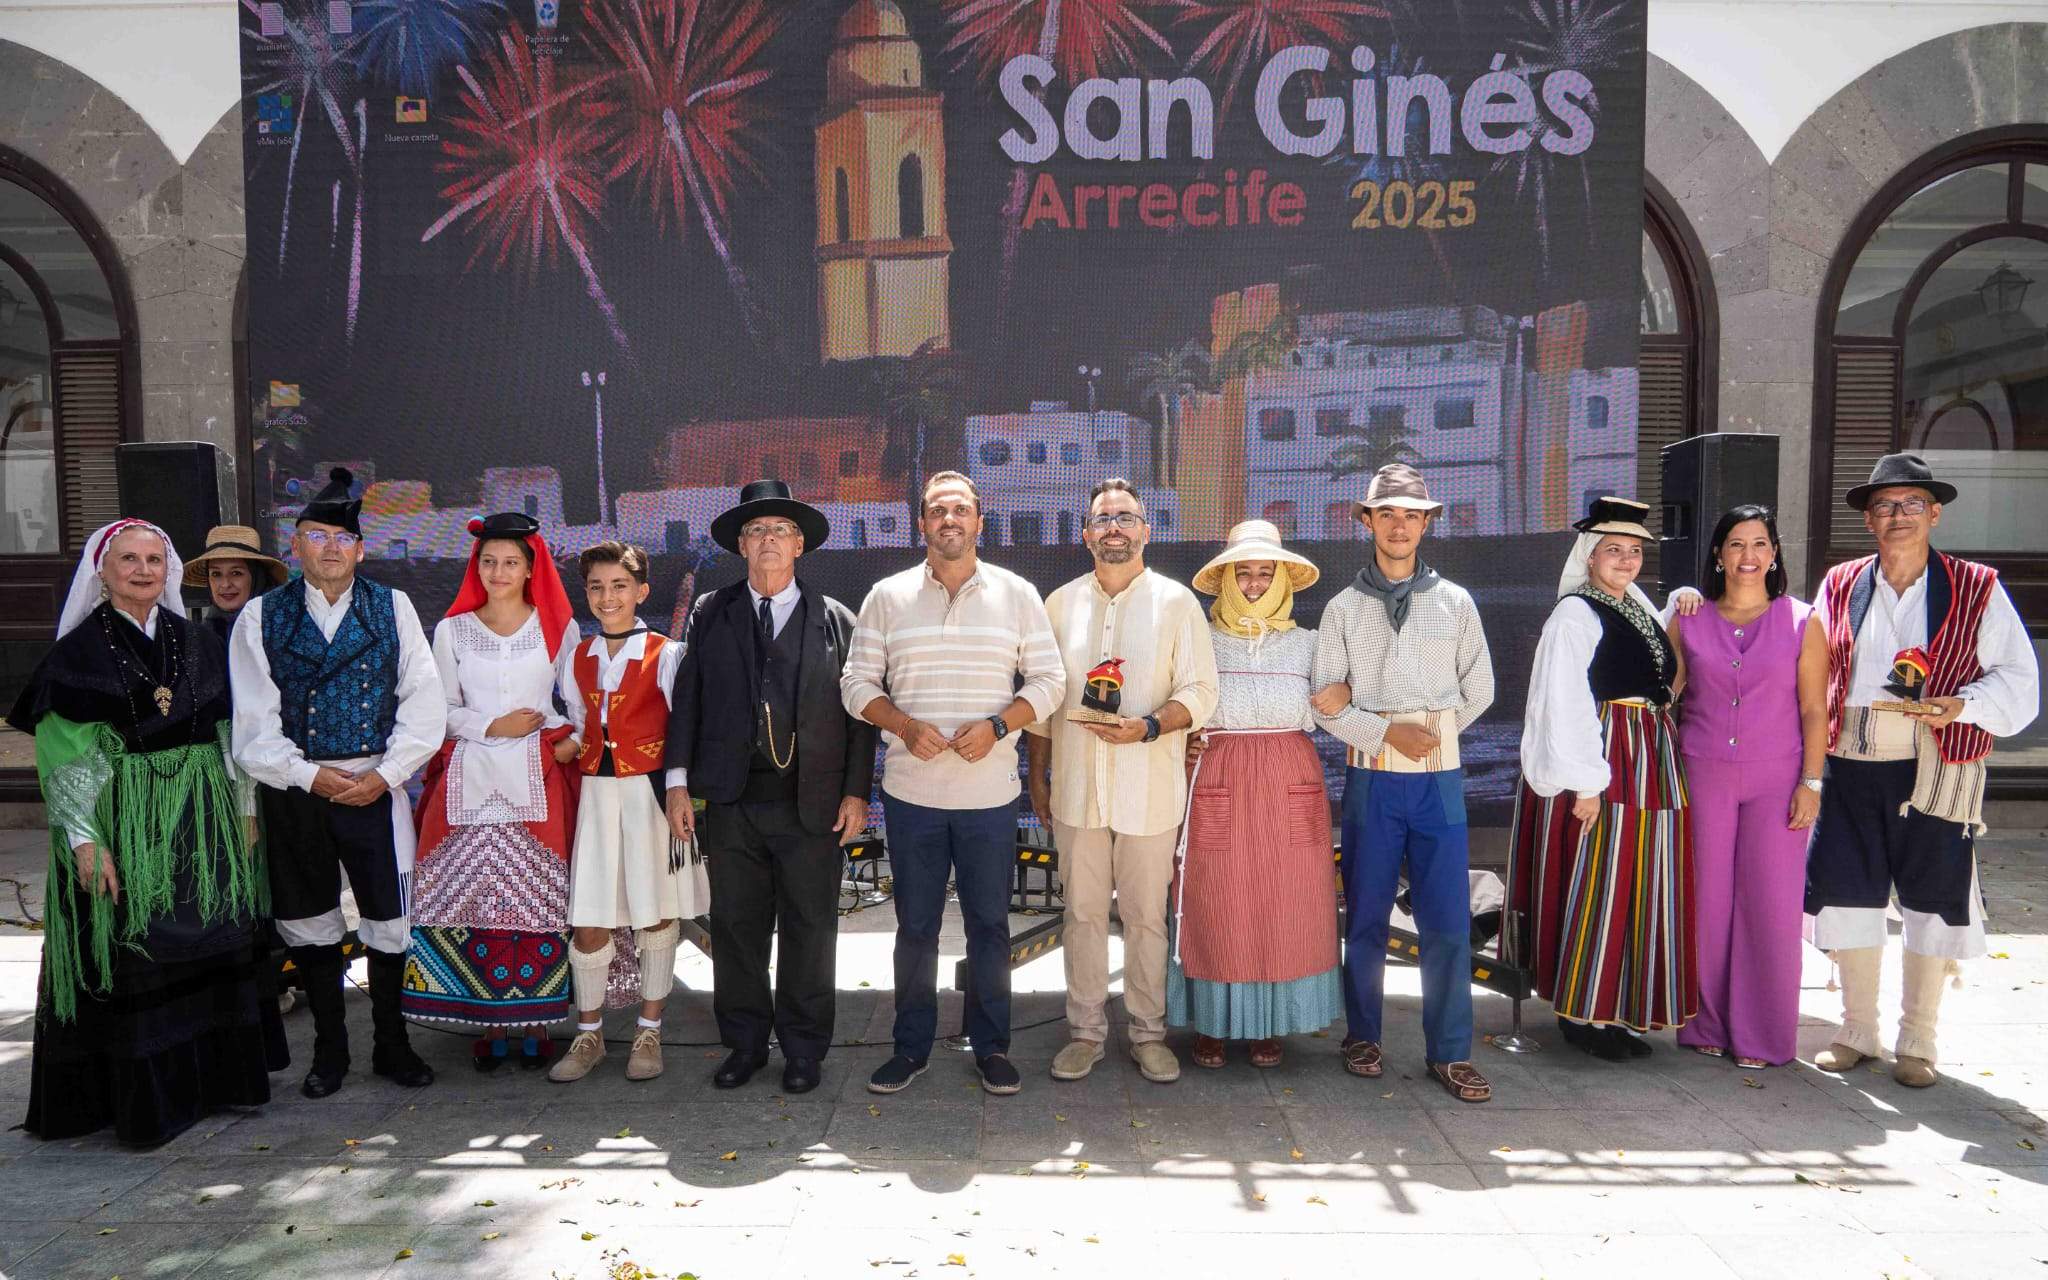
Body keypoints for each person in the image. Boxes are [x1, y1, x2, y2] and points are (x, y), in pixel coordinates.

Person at [8, 519, 286, 1145]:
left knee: (211, 942)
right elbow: (64, 752)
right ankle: (139, 1102)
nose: (141, 569)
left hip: (203, 819)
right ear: (101, 573)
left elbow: (228, 735)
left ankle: (215, 1085)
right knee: (135, 950)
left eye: (154, 559)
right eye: (128, 559)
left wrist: (244, 810)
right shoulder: (74, 656)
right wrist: (84, 839)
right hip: (121, 824)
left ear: (168, 569)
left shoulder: (201, 641)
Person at [1807, 454, 2037, 1088]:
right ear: (1868, 520)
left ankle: (1918, 1040)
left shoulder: (1977, 585)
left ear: (1935, 513)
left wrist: (1961, 704)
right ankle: (1857, 1029)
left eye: (1911, 504)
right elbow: (1807, 664)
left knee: (1933, 898)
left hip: (1936, 762)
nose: (1898, 516)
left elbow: (2018, 681)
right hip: (1851, 759)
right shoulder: (1841, 582)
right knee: (1848, 891)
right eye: (1884, 506)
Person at [842, 471, 1066, 1096]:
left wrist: (998, 726)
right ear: (921, 524)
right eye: (938, 510)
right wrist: (904, 726)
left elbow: (1050, 683)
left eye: (960, 510)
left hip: (990, 798)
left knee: (990, 926)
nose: (949, 520)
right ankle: (909, 1048)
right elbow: (856, 686)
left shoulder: (1018, 594)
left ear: (979, 522)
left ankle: (991, 1047)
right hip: (910, 795)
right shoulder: (886, 597)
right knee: (914, 927)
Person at [232, 468, 446, 1098]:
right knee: (309, 921)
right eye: (315, 535)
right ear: (294, 546)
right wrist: (309, 776)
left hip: (377, 787)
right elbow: (252, 722)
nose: (328, 548)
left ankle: (391, 1044)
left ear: (361, 549)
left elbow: (424, 701)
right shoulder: (259, 616)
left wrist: (385, 774)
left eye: (340, 538)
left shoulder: (393, 606)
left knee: (388, 919)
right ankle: (330, 1053)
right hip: (296, 790)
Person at [665, 480, 878, 1096]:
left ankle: (805, 1050)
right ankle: (745, 1045)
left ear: (800, 545)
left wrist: (857, 792)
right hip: (733, 802)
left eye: (780, 530)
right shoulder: (711, 611)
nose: (767, 541)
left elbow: (861, 714)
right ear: (740, 544)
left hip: (810, 802)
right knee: (736, 928)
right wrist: (679, 785)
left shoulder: (837, 619)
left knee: (812, 929)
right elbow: (689, 702)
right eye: (756, 531)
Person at [1311, 464, 1496, 1102]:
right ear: (1367, 522)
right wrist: (1387, 733)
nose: (1399, 525)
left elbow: (1483, 688)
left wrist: (1432, 732)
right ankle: (1362, 1035)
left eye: (1411, 515)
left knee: (1445, 920)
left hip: (1438, 781)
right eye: (1386, 514)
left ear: (1426, 524)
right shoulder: (1341, 608)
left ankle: (1450, 1050)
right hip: (1372, 781)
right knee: (1363, 913)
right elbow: (1324, 704)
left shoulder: (1456, 602)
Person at [1027, 478, 1218, 1087]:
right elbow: (1044, 703)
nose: (1114, 528)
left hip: (1149, 790)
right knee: (1081, 914)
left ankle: (1148, 1033)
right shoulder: (1057, 605)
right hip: (1077, 789)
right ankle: (1084, 1033)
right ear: (1085, 534)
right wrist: (1036, 776)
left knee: (1145, 917)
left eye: (1125, 518)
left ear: (1146, 529)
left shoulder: (1177, 604)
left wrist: (1149, 726)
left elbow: (1202, 693)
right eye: (1103, 519)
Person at [1509, 495, 1695, 1062]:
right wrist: (1586, 784)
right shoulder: (1575, 614)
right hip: (1606, 753)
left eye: (1634, 551)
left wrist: (1684, 603)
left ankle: (1614, 1006)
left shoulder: (1633, 603)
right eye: (1613, 549)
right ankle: (1580, 1013)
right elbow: (1562, 701)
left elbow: (1655, 660)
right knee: (1600, 880)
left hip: (1650, 751)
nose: (1625, 559)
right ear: (1590, 556)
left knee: (1637, 879)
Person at [403, 512, 582, 1070]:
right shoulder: (452, 630)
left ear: (532, 569)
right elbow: (439, 712)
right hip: (468, 775)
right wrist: (491, 727)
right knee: (474, 891)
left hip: (537, 773)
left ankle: (535, 1019)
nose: (499, 571)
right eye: (489, 561)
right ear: (475, 567)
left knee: (536, 894)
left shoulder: (558, 626)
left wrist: (568, 745)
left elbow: (578, 706)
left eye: (510, 562)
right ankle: (485, 1020)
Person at [1170, 519, 1343, 1069]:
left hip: (1290, 776)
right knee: (1216, 900)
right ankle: (1215, 1025)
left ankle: (1271, 1025)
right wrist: (1183, 741)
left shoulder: (1310, 645)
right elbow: (1174, 701)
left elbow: (1335, 704)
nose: (1252, 583)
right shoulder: (1200, 638)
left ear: (1282, 581)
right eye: (1242, 573)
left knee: (1286, 903)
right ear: (1224, 579)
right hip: (1219, 773)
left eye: (1264, 574)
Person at [1664, 505, 1826, 1069]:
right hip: (1702, 774)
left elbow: (1813, 709)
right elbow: (1667, 695)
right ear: (1718, 554)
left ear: (1775, 553)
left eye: (1760, 544)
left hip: (1778, 779)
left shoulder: (1804, 620)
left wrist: (1812, 781)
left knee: (1771, 906)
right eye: (1736, 544)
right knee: (1706, 902)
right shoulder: (1687, 619)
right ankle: (1704, 1023)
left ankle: (1761, 1037)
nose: (1748, 556)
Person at [549, 541, 705, 1085]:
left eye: (619, 586)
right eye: (596, 586)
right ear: (585, 594)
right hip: (596, 794)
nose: (607, 596)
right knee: (590, 919)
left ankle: (648, 1030)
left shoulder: (668, 652)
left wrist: (680, 793)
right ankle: (588, 1033)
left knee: (654, 913)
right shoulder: (577, 656)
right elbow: (573, 717)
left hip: (648, 797)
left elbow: (683, 731)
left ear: (641, 592)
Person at [183, 524, 289, 646]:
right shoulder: (200, 638)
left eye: (236, 573)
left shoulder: (282, 630)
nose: (225, 584)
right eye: (216, 574)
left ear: (256, 578)